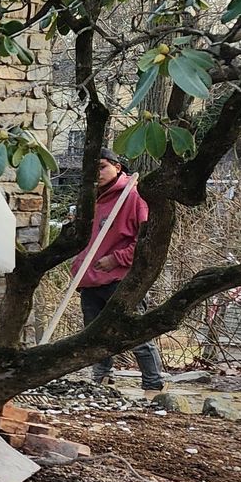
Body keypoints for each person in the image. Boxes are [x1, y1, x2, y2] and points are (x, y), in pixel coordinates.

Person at [75, 149, 164, 391]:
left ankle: (153, 385)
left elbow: (148, 240)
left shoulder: (133, 196)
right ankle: (101, 380)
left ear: (117, 166)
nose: (97, 174)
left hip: (121, 280)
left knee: (134, 333)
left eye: (102, 167)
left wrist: (117, 259)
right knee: (94, 335)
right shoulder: (91, 199)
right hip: (91, 279)